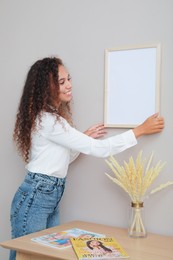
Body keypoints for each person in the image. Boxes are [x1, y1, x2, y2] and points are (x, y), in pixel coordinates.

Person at [9, 57, 164, 260]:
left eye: (68, 79)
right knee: (27, 256)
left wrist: (83, 139)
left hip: (48, 194)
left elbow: (62, 160)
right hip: (36, 197)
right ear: (46, 87)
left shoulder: (51, 120)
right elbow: (100, 150)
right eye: (61, 82)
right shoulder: (50, 121)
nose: (69, 85)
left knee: (41, 256)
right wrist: (139, 130)